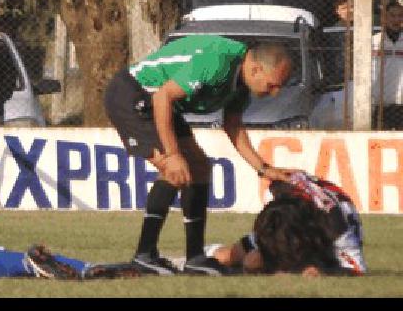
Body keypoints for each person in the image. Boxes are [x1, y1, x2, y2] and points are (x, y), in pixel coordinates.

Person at [104, 35, 297, 276]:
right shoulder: (217, 62)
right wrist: (172, 154)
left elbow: (233, 125)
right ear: (256, 68)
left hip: (159, 102)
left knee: (200, 168)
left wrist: (263, 168)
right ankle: (144, 255)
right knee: (173, 169)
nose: (275, 93)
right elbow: (163, 96)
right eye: (272, 85)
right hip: (133, 95)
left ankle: (195, 258)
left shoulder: (241, 82)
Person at [206, 171, 367, 276]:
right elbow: (287, 178)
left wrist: (323, 271)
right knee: (230, 257)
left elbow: (357, 270)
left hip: (318, 239)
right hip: (295, 221)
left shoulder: (336, 227)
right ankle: (196, 257)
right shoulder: (278, 213)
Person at [372, 0, 403, 129]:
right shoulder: (374, 41)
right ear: (384, 18)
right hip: (380, 104)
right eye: (392, 15)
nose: (396, 19)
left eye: (400, 15)